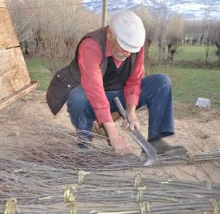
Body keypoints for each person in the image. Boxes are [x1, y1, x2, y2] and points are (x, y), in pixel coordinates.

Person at [46, 10, 181, 156]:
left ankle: (156, 142)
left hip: (118, 97)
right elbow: (95, 91)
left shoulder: (135, 47)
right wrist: (114, 135)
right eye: (123, 47)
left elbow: (134, 81)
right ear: (110, 34)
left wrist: (131, 111)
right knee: (77, 97)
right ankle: (84, 144)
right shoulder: (91, 45)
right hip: (91, 100)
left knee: (161, 82)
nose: (128, 54)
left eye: (132, 50)